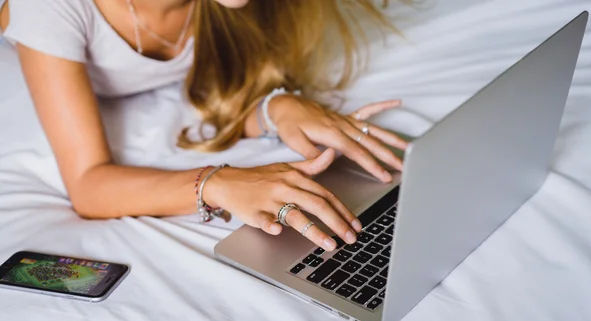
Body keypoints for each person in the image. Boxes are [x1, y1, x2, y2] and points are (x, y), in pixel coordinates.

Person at [0, 0, 408, 252]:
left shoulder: (227, 7)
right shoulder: (48, 6)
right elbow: (89, 185)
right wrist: (219, 184)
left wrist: (277, 109)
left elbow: (222, 92)